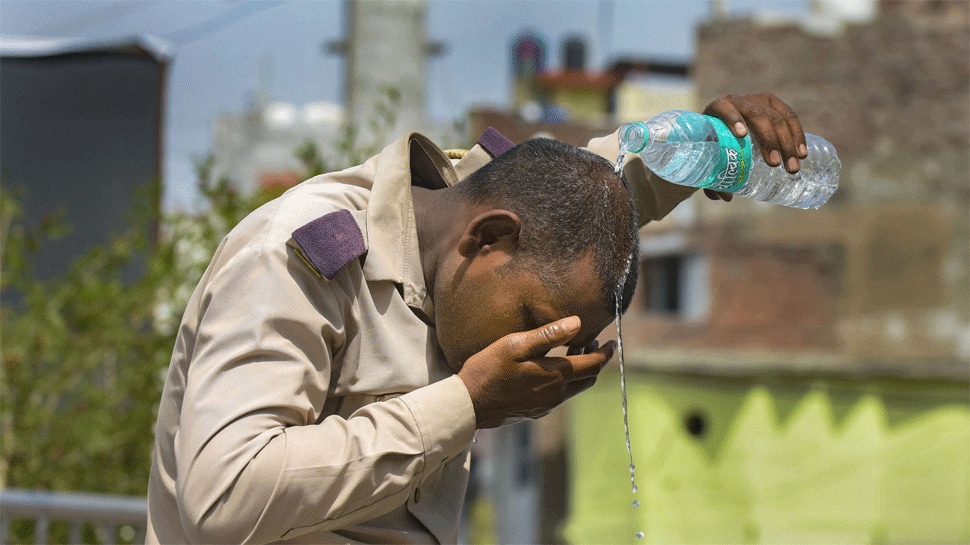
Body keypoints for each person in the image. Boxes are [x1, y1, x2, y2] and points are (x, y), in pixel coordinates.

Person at [146, 92, 807, 544]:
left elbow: (599, 185)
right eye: (532, 317)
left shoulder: (489, 209)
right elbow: (222, 495)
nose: (532, 348)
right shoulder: (298, 259)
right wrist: (464, 402)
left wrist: (713, 141)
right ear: (486, 239)